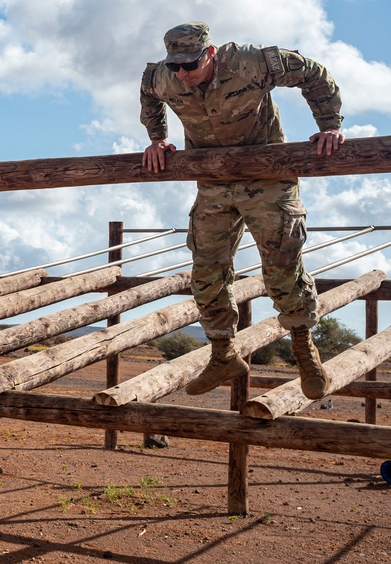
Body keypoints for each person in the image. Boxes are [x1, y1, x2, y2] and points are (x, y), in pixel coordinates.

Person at [139, 22, 344, 400]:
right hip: (214, 183)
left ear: (210, 53)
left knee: (281, 268)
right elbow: (149, 95)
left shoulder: (254, 61)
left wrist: (329, 126)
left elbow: (313, 73)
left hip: (268, 177)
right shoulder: (160, 77)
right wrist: (158, 139)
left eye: (191, 64)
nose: (183, 74)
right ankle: (223, 354)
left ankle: (303, 348)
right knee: (206, 270)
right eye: (176, 66)